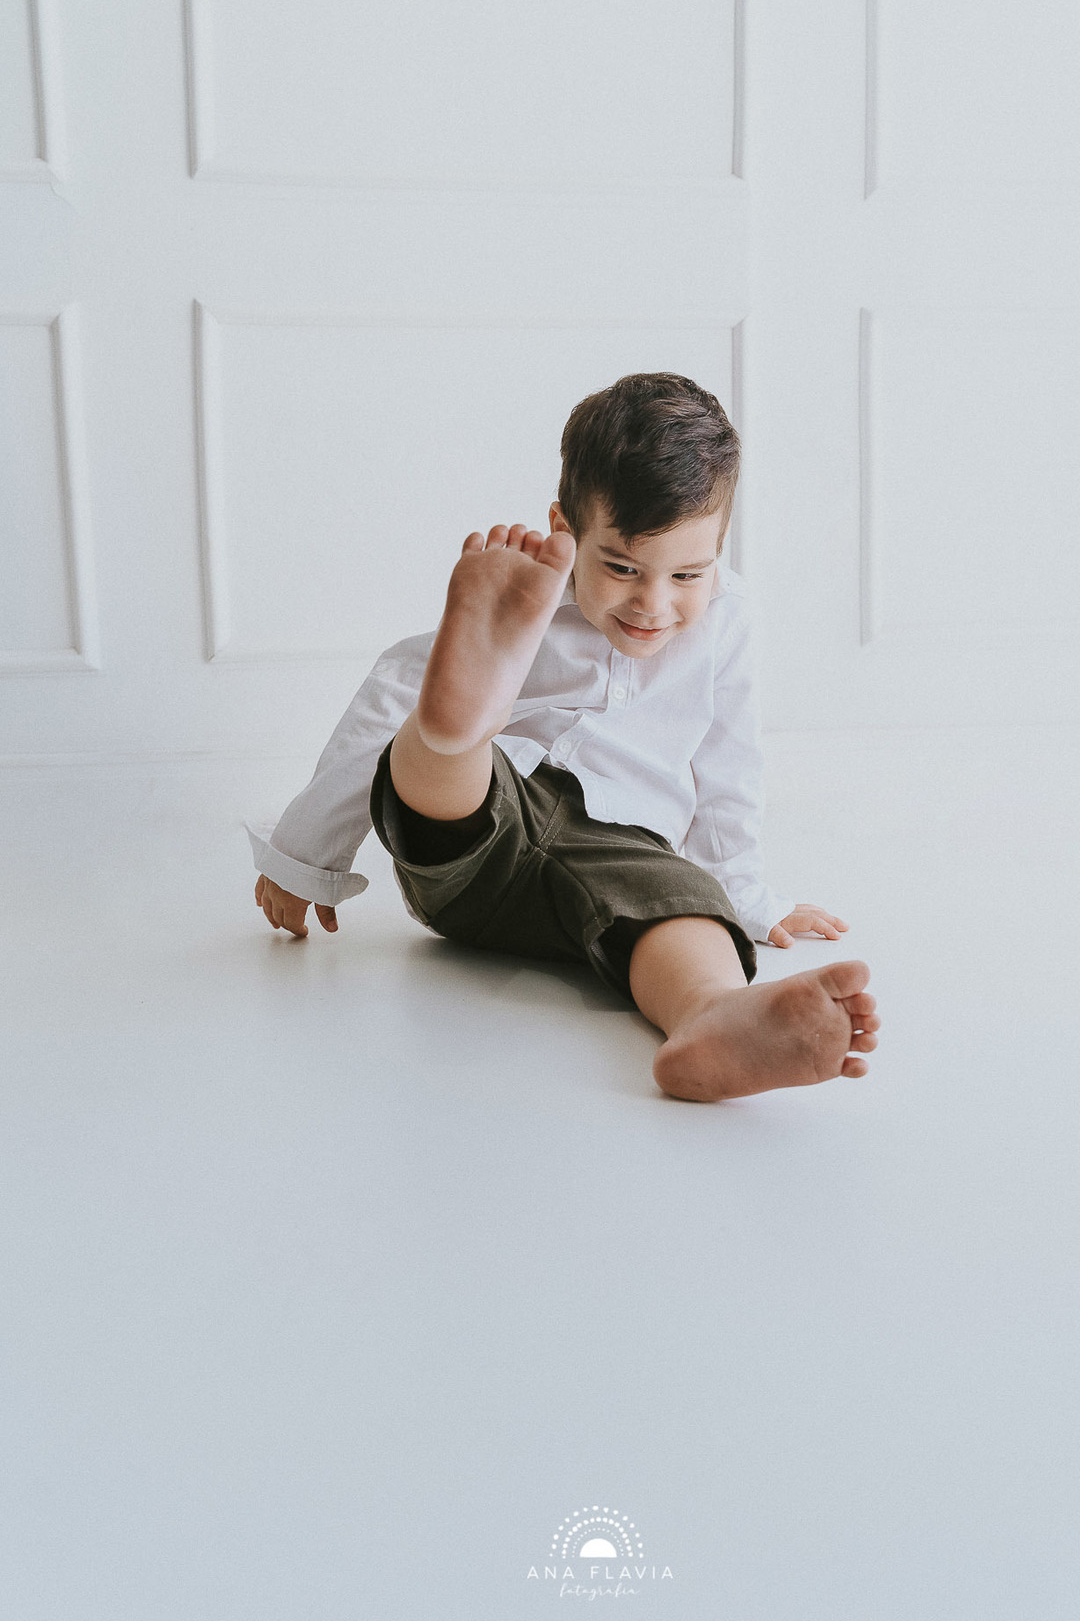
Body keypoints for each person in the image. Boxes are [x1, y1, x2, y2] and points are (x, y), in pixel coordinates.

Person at [248, 372, 880, 1101]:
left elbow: (728, 762)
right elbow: (388, 693)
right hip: (487, 826)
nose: (653, 602)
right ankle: (457, 727)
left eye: (687, 574)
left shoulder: (730, 621)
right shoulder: (534, 590)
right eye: (619, 567)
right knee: (443, 767)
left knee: (681, 903)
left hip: (625, 846)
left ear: (721, 550)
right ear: (565, 528)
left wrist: (746, 896)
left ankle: (713, 1017)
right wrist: (304, 858)